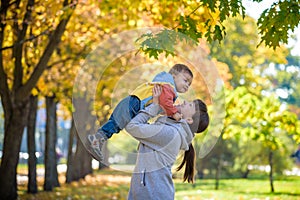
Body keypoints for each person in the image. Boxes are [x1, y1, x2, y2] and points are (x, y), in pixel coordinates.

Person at [87, 64, 194, 161]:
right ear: (174, 76)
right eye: (185, 80)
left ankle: (97, 140)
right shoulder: (169, 87)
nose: (187, 85)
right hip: (135, 103)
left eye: (189, 84)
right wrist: (174, 113)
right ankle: (96, 140)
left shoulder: (165, 85)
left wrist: (166, 111)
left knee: (115, 123)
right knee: (116, 124)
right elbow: (165, 103)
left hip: (133, 102)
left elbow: (162, 106)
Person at [125, 85, 209, 200]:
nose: (184, 102)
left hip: (152, 195)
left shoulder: (171, 134)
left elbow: (132, 126)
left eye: (189, 105)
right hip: (148, 193)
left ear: (189, 120)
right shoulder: (171, 129)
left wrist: (155, 106)